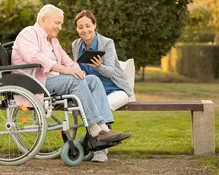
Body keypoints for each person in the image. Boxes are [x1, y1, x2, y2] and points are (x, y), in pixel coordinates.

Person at [11, 4, 131, 147]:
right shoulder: (28, 33)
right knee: (74, 81)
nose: (60, 27)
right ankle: (94, 131)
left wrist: (79, 72)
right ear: (43, 20)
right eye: (57, 23)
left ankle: (104, 129)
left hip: (51, 81)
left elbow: (67, 60)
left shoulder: (52, 40)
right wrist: (65, 70)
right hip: (36, 82)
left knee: (92, 80)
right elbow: (33, 57)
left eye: (61, 23)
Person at [72, 10, 134, 162]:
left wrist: (99, 66)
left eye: (88, 25)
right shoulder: (76, 45)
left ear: (95, 25)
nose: (84, 30)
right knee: (87, 104)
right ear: (76, 29)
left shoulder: (107, 43)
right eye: (80, 27)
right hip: (93, 89)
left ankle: (100, 151)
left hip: (116, 89)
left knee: (99, 106)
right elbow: (78, 69)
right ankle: (101, 139)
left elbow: (110, 72)